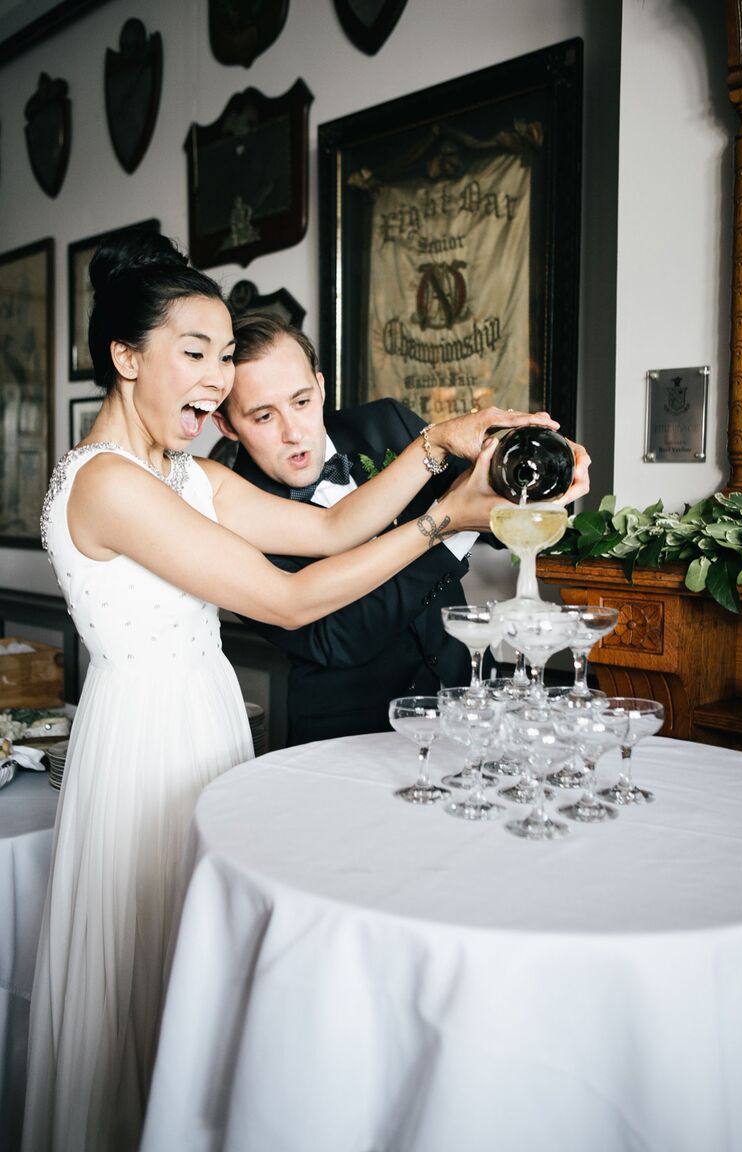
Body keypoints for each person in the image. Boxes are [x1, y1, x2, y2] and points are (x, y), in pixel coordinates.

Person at [21, 231, 532, 1152]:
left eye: (223, 357)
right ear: (125, 357)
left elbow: (331, 528)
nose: (216, 380)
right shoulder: (105, 484)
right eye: (195, 354)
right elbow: (293, 601)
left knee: (206, 968)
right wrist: (443, 519)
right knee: (152, 965)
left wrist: (435, 446)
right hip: (144, 747)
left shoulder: (187, 474)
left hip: (207, 725)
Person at [211, 312, 591, 744]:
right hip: (350, 732)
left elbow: (488, 504)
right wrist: (454, 526)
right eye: (263, 417)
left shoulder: (386, 423)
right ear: (226, 425)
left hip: (468, 696)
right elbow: (337, 638)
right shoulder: (230, 511)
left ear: (319, 386)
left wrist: (542, 472)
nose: (293, 432)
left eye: (301, 402)